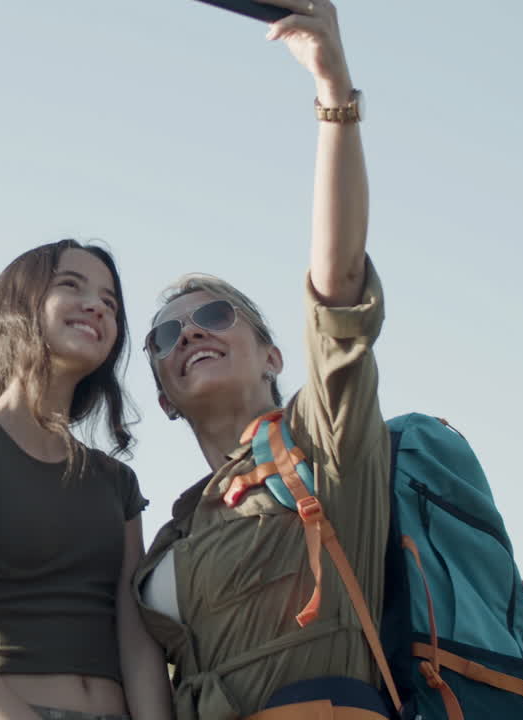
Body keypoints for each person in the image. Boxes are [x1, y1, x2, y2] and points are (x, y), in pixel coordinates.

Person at [133, 1, 388, 718]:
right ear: (163, 398)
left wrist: (334, 98)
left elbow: (337, 292)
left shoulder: (325, 439)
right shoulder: (172, 529)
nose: (189, 334)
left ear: (274, 352)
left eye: (215, 315)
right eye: (165, 335)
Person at [0, 240, 173, 720]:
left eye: (110, 303)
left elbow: (137, 645)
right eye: (71, 285)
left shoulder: (118, 483)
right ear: (19, 304)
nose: (96, 306)